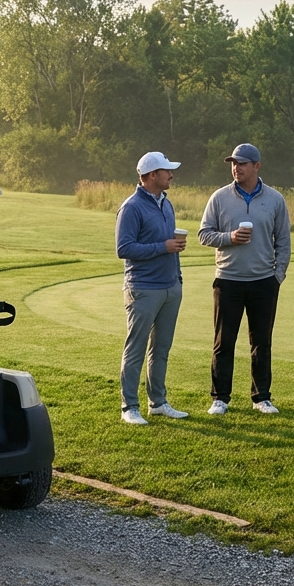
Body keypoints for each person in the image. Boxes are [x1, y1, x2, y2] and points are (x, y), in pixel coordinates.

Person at [198, 143, 291, 416]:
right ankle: (220, 398)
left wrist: (277, 276)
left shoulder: (275, 199)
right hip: (228, 280)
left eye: (242, 163)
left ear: (257, 166)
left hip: (264, 281)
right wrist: (229, 238)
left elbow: (283, 241)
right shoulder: (219, 197)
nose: (236, 168)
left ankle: (261, 396)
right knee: (223, 342)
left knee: (261, 342)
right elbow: (204, 234)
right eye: (233, 163)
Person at [116, 152, 189, 425]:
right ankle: (129, 408)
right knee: (135, 349)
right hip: (143, 288)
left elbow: (168, 244)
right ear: (150, 176)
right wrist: (163, 247)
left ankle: (157, 402)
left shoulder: (165, 203)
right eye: (166, 171)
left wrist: (177, 277)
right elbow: (124, 248)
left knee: (161, 349)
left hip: (170, 286)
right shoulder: (132, 207)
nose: (171, 174)